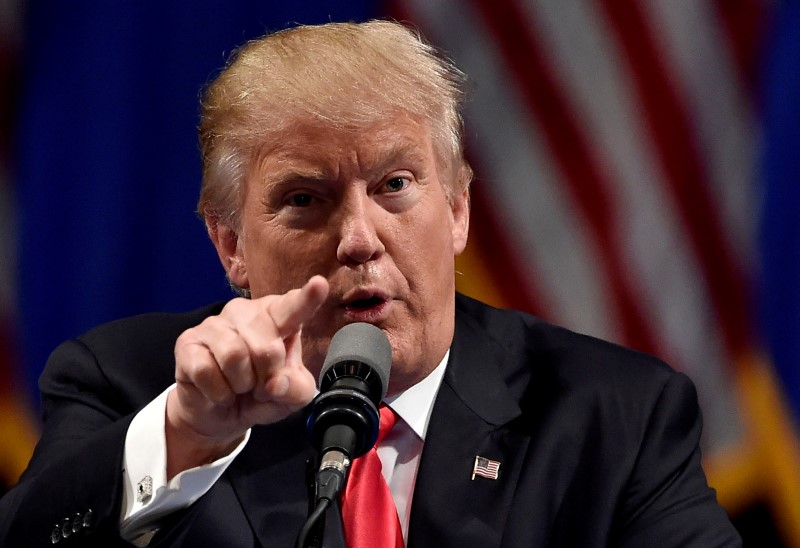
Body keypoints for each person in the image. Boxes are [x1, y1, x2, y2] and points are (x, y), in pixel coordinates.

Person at [0, 20, 740, 547]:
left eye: (394, 184)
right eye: (304, 199)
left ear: (457, 210)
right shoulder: (130, 384)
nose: (358, 237)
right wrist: (188, 434)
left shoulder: (612, 413)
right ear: (230, 244)